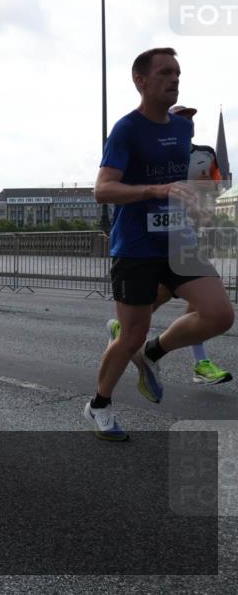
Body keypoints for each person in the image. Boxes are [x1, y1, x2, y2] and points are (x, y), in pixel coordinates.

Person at [86, 47, 234, 440]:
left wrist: (196, 208)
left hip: (178, 241)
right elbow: (103, 189)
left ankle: (153, 353)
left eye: (178, 72)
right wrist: (155, 188)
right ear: (141, 80)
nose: (175, 79)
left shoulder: (183, 129)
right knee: (129, 333)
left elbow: (179, 184)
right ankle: (99, 404)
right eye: (166, 72)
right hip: (136, 246)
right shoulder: (126, 129)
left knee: (220, 315)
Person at [105, 103, 232, 385]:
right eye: (181, 118)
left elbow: (215, 187)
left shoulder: (203, 155)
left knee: (203, 302)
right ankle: (127, 332)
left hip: (188, 237)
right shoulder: (149, 148)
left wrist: (206, 209)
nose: (187, 124)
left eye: (190, 120)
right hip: (151, 245)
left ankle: (199, 362)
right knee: (164, 297)